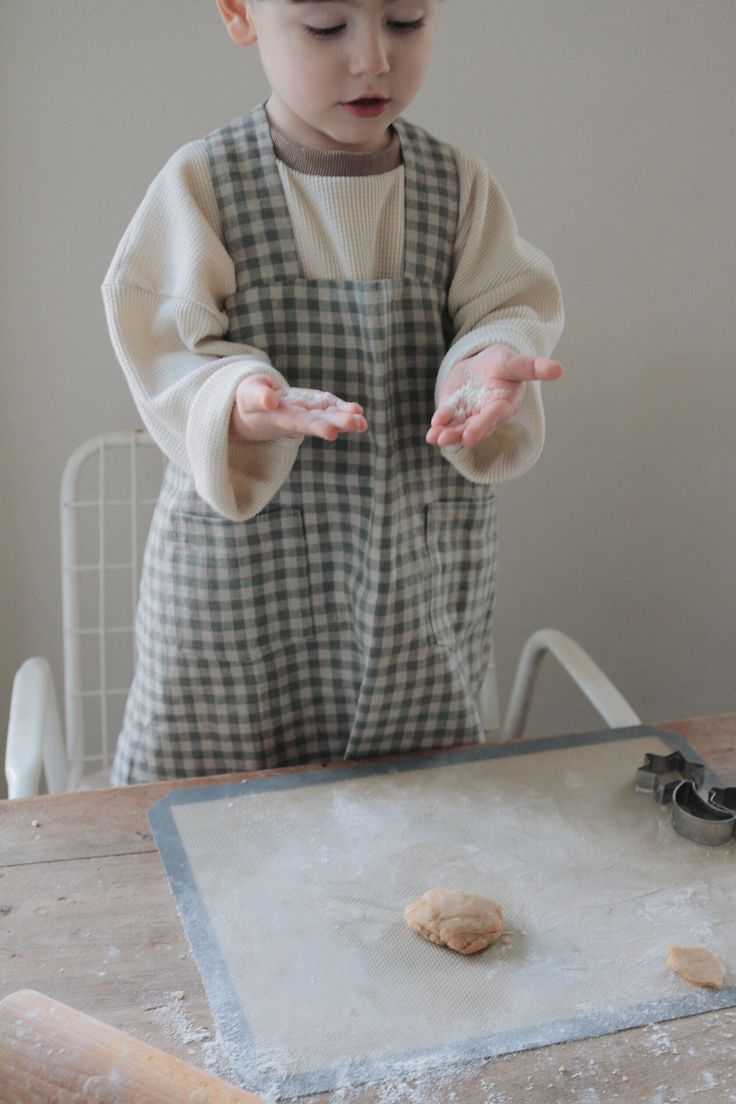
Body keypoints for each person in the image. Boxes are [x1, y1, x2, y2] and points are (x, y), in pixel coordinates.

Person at [102, 0, 564, 784]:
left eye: (407, 21)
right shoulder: (204, 184)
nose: (373, 59)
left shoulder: (457, 186)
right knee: (214, 810)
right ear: (241, 14)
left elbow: (505, 303)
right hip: (238, 581)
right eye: (325, 27)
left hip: (412, 568)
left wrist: (484, 362)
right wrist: (242, 396)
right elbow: (164, 340)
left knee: (412, 801)